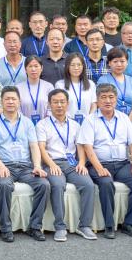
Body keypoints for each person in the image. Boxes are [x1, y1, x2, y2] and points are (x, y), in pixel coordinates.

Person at [77, 83, 132, 239]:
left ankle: (129, 224)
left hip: (122, 163)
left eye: (111, 97)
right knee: (106, 182)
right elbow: (88, 147)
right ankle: (109, 225)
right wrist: (99, 168)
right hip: (99, 164)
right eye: (103, 97)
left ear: (116, 99)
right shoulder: (90, 120)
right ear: (97, 100)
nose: (108, 101)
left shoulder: (124, 118)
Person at [0, 86, 50, 242]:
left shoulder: (27, 123)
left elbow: (34, 146)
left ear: (19, 102)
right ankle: (5, 228)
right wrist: (0, 166)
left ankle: (35, 227)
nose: (10, 102)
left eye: (13, 99)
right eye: (7, 99)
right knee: (4, 185)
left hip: (25, 167)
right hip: (4, 166)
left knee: (44, 184)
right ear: (1, 102)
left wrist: (37, 166)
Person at [36, 89, 97, 241]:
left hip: (72, 164)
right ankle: (60, 227)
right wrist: (51, 165)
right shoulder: (42, 124)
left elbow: (80, 146)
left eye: (62, 102)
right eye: (55, 102)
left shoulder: (75, 125)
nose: (59, 105)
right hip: (52, 163)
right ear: (49, 104)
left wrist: (81, 163)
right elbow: (41, 148)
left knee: (88, 185)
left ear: (67, 104)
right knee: (57, 185)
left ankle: (84, 225)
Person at [97, 48, 132, 120]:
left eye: (122, 61)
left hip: (131, 121)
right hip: (110, 120)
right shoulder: (103, 80)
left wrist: (127, 122)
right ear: (109, 63)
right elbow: (101, 103)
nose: (119, 64)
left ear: (127, 62)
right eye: (115, 61)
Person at [55, 54, 97, 124]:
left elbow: (94, 104)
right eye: (72, 65)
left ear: (83, 66)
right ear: (67, 67)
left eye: (79, 65)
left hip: (87, 123)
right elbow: (59, 106)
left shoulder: (91, 84)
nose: (76, 68)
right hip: (67, 123)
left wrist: (89, 119)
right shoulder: (60, 85)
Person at [19, 56, 54, 125]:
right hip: (24, 125)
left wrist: (45, 123)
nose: (33, 69)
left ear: (41, 68)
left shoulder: (49, 86)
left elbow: (52, 108)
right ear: (25, 69)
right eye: (30, 66)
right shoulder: (18, 88)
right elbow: (17, 110)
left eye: (36, 66)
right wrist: (25, 123)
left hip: (46, 125)